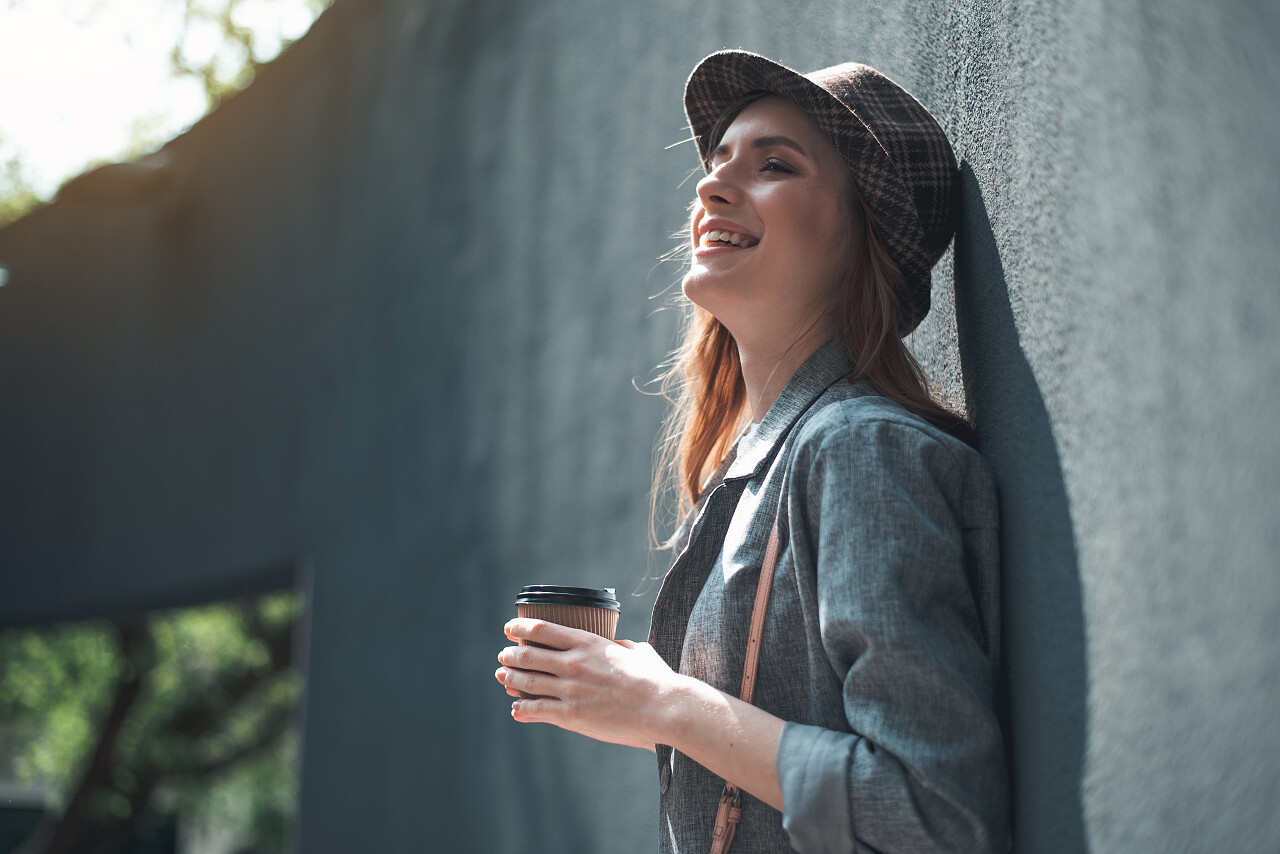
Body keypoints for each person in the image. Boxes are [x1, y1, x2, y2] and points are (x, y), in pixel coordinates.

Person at [495, 50, 1008, 853]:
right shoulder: (758, 466)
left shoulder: (861, 451)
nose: (713, 185)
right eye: (718, 161)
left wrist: (668, 705)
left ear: (863, 230)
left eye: (775, 163)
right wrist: (635, 693)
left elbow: (935, 815)